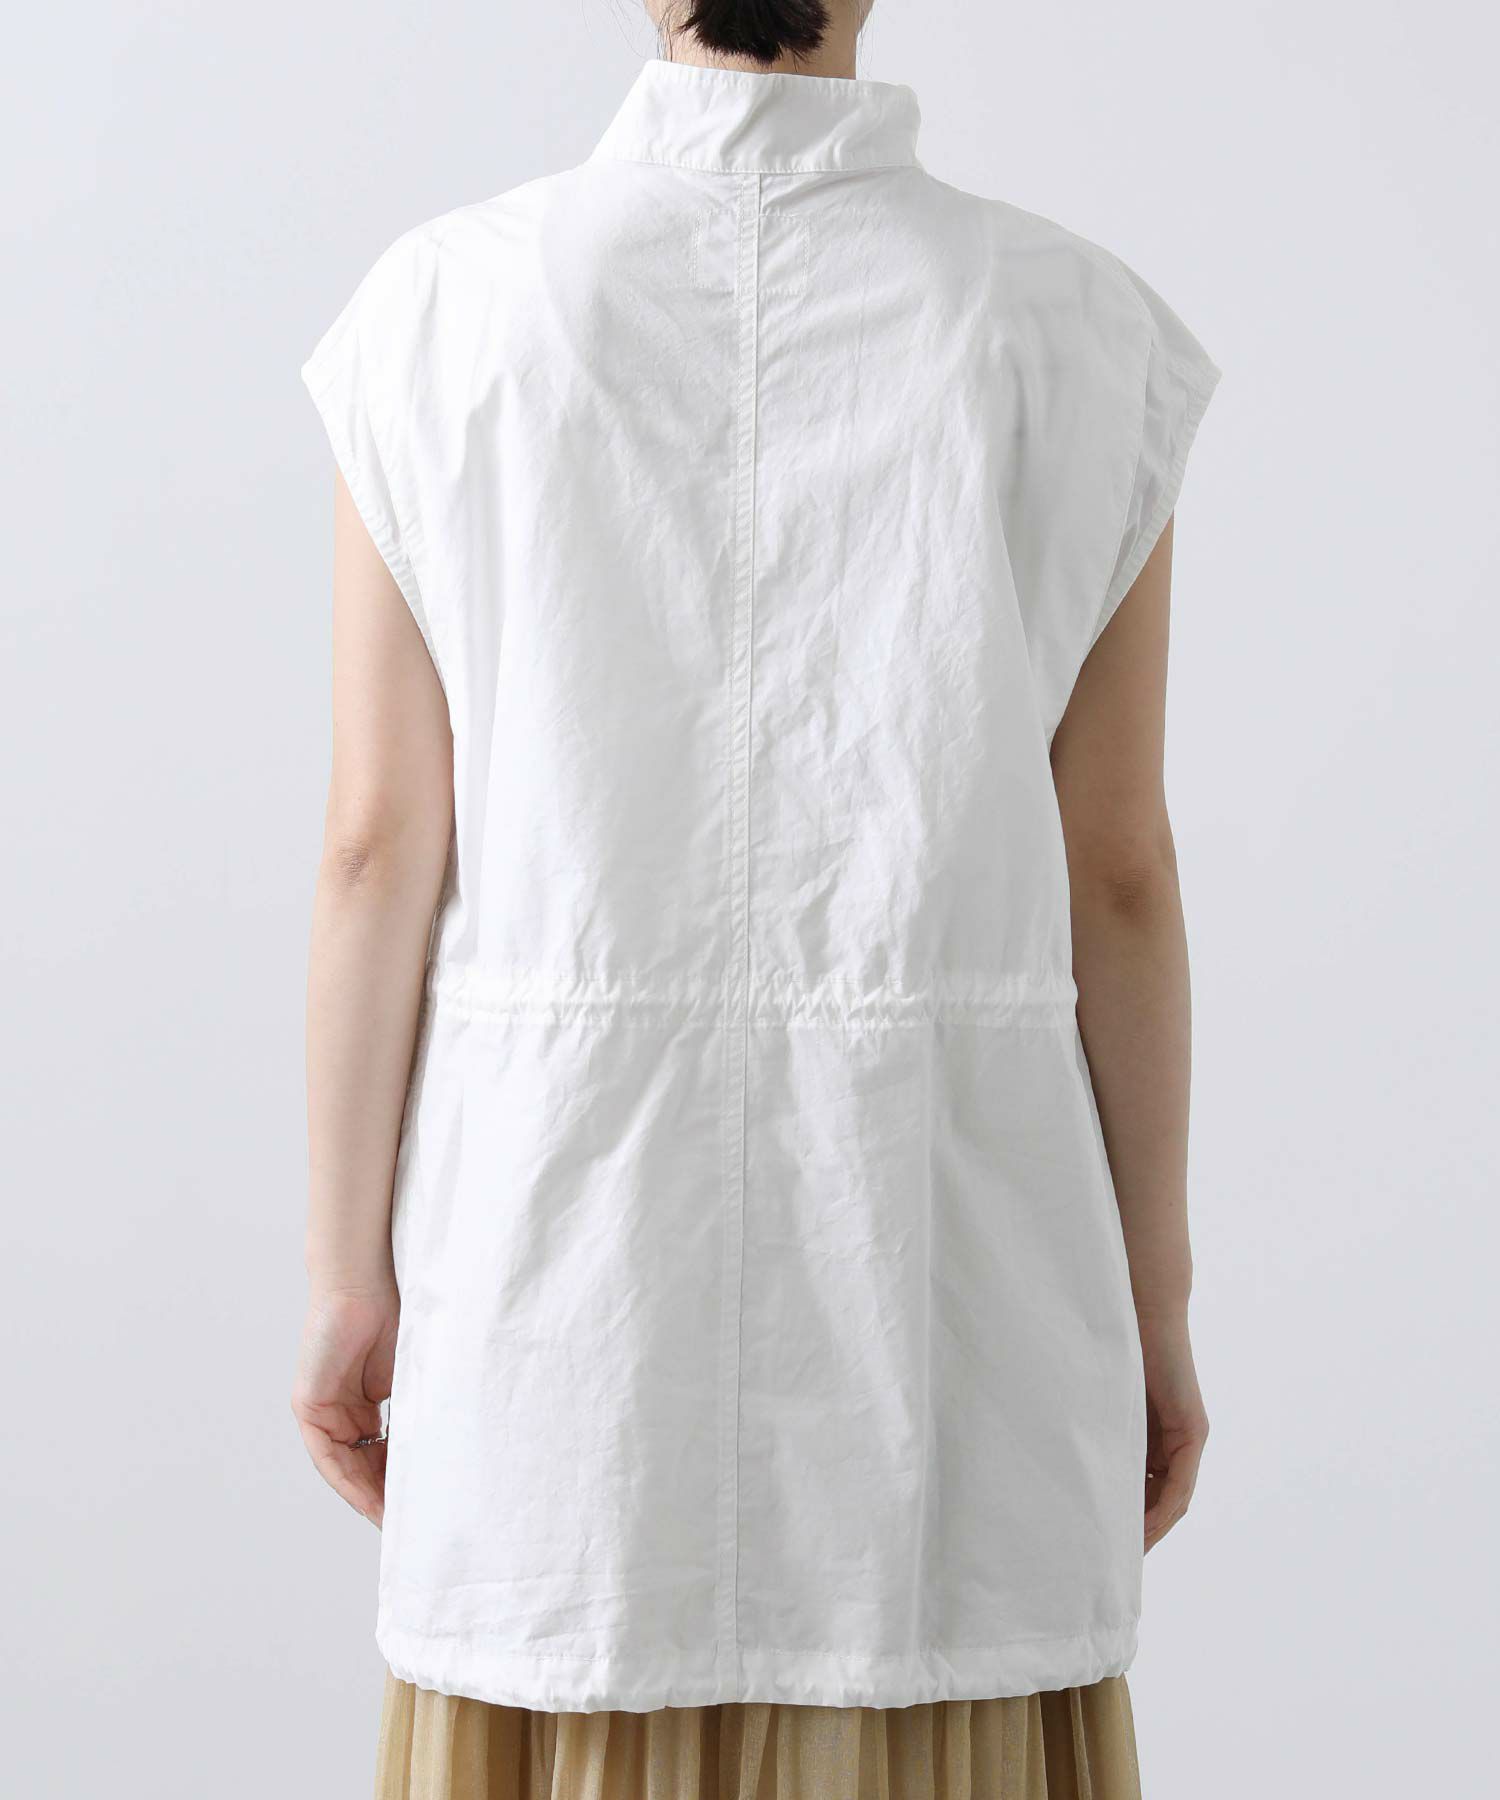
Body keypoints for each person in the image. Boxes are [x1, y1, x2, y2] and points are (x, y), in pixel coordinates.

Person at [292, 2, 1220, 1794]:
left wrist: (347, 1283)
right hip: (944, 1302)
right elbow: (1117, 871)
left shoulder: (444, 311)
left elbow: (374, 845)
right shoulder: (1075, 326)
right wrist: (1156, 1306)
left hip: (562, 1295)